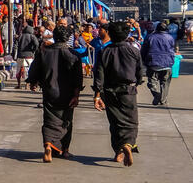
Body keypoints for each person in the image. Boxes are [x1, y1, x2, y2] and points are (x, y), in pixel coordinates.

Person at [26, 25, 83, 162]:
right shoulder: (74, 55)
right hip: (68, 94)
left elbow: (34, 70)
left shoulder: (44, 52)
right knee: (66, 121)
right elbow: (78, 78)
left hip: (49, 91)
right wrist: (76, 95)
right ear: (68, 38)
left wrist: (33, 82)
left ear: (54, 36)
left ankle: (48, 145)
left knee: (49, 120)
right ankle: (65, 151)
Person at [93, 22, 145, 167]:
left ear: (110, 34)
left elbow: (99, 75)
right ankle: (127, 145)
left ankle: (118, 152)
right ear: (126, 34)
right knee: (131, 122)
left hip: (109, 91)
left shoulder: (104, 52)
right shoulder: (133, 51)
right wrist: (138, 82)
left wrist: (97, 95)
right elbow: (140, 72)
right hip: (128, 91)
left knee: (115, 122)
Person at [140, 21, 176, 106]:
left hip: (153, 63)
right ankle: (162, 99)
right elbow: (172, 49)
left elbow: (144, 50)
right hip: (167, 63)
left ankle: (157, 94)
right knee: (165, 83)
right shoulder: (170, 38)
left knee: (152, 82)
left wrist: (143, 60)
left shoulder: (150, 37)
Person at [14, 19, 40, 89]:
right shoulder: (32, 36)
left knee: (19, 70)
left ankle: (19, 84)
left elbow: (16, 45)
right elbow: (37, 44)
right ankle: (27, 85)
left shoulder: (20, 36)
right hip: (29, 56)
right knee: (29, 70)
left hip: (20, 55)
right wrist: (33, 50)